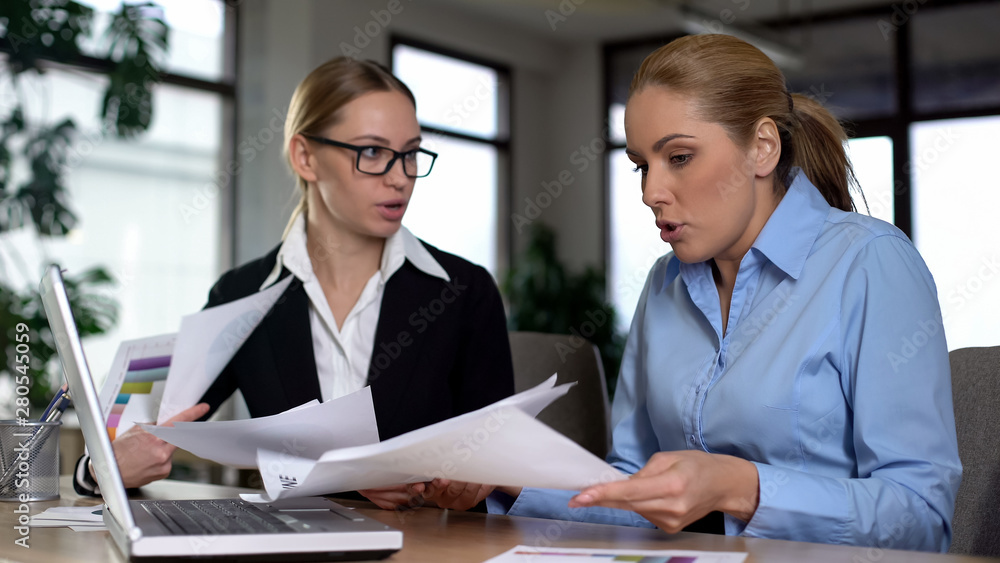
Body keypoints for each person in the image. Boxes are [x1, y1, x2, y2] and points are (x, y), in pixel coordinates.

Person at [489, 34, 962, 552]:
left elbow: (920, 514)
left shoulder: (870, 263)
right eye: (642, 165)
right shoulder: (662, 284)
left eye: (680, 157)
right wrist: (509, 480)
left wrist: (743, 488)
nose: (650, 192)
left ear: (762, 147)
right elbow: (637, 488)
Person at [74, 57, 514, 511]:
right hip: (296, 543)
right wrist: (100, 468)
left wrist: (473, 478)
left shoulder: (464, 290)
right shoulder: (241, 295)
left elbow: (501, 456)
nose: (400, 176)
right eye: (373, 152)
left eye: (410, 153)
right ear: (305, 156)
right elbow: (155, 426)